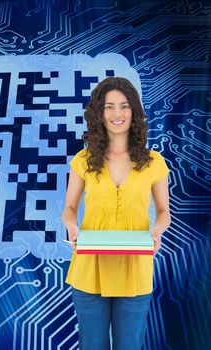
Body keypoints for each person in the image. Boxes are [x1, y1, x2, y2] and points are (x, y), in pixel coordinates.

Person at [62, 77, 171, 350]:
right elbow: (70, 208)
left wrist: (157, 230)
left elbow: (163, 211)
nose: (117, 114)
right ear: (99, 113)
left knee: (130, 345)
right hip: (89, 269)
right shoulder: (83, 161)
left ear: (133, 111)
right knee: (92, 345)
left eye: (123, 106)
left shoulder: (154, 162)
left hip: (135, 269)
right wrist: (71, 226)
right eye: (109, 107)